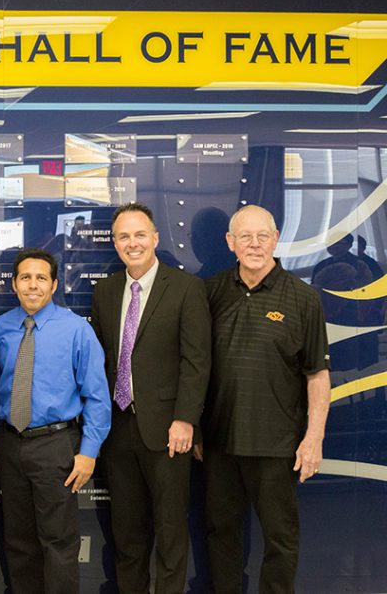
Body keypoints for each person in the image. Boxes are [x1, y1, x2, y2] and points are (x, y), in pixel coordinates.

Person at [199, 204, 331, 594]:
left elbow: (317, 375)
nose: (254, 244)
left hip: (278, 446)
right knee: (221, 534)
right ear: (230, 242)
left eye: (263, 236)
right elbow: (194, 366)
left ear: (275, 239)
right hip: (219, 444)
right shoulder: (210, 292)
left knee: (280, 538)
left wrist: (314, 438)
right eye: (245, 236)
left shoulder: (303, 298)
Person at [90, 202, 211, 594]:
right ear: (115, 243)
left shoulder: (186, 287)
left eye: (140, 234)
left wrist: (186, 419)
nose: (132, 243)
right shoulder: (106, 290)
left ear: (156, 238)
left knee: (172, 530)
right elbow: (104, 358)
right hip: (118, 429)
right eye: (123, 236)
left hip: (168, 431)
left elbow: (197, 361)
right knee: (126, 534)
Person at [0, 248, 110, 594]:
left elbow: (97, 397)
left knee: (58, 543)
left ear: (54, 284)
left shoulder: (75, 330)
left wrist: (89, 453)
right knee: (19, 541)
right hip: (11, 446)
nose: (32, 285)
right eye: (25, 277)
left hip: (56, 447)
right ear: (14, 284)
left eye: (41, 278)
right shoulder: (1, 328)